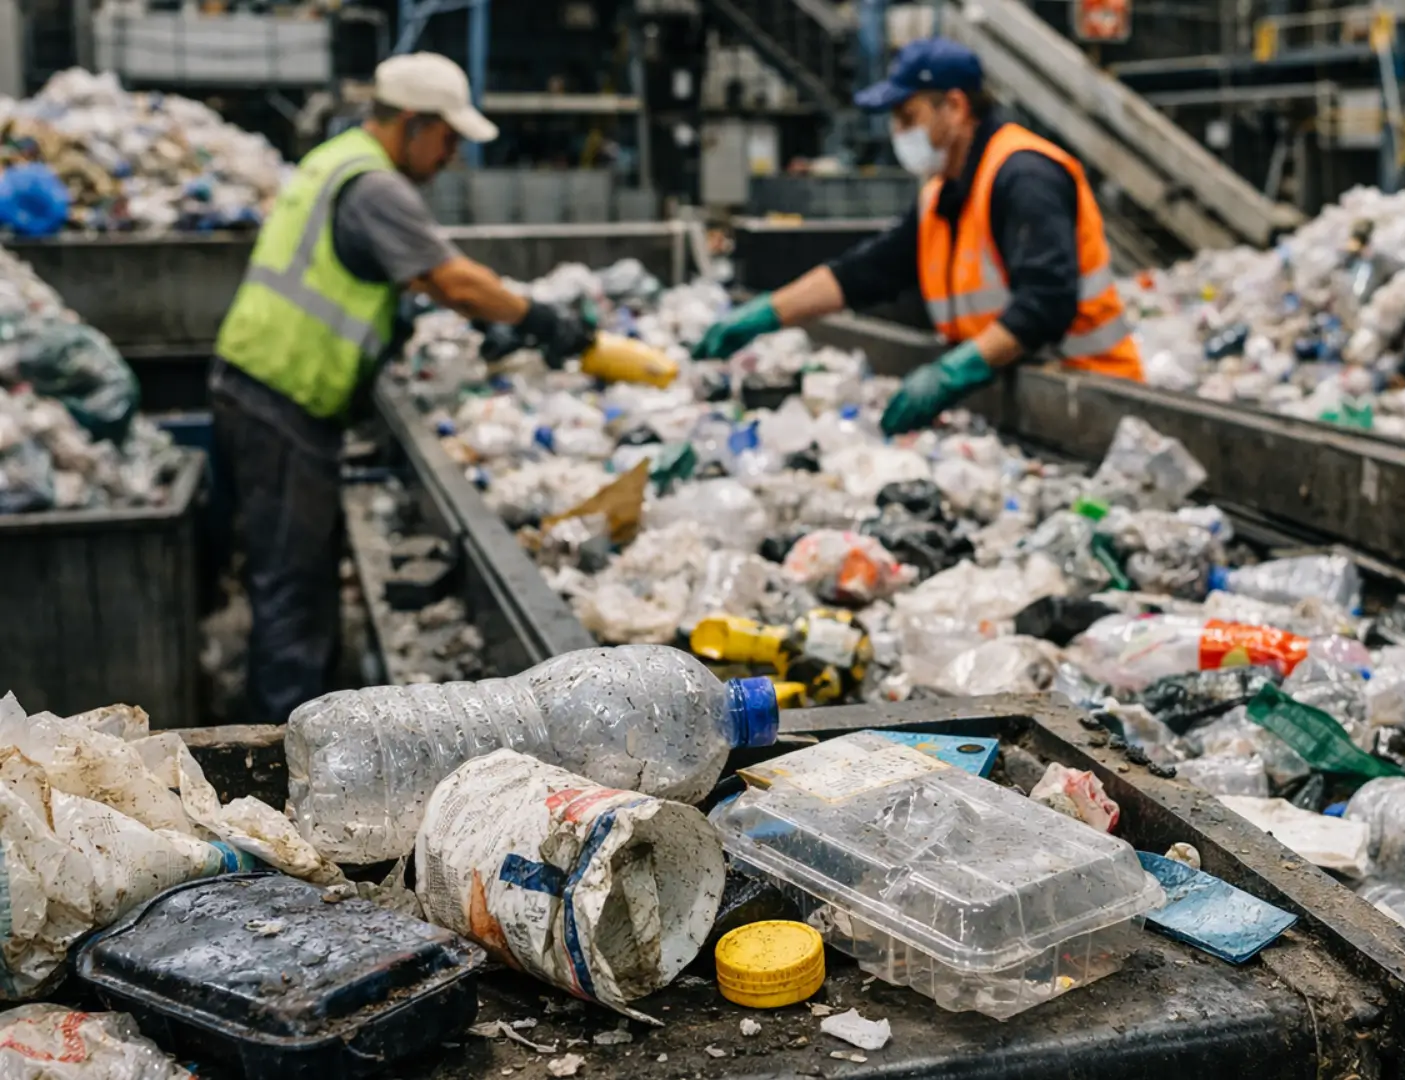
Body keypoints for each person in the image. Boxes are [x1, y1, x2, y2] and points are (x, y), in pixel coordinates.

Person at [210, 52, 594, 724]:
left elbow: (381, 275)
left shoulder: (336, 161)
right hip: (282, 402)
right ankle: (278, 765)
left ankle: (301, 727)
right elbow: (453, 280)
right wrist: (538, 319)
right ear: (414, 124)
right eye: (448, 139)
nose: (451, 157)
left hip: (263, 391)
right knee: (292, 594)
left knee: (298, 583)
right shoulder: (375, 186)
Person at [693, 37, 1141, 434]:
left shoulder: (1025, 175)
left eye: (908, 116)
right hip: (1025, 403)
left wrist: (951, 373)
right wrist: (765, 314)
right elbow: (868, 271)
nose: (899, 133)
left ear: (956, 106)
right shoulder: (942, 193)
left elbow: (1046, 302)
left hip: (1094, 403)